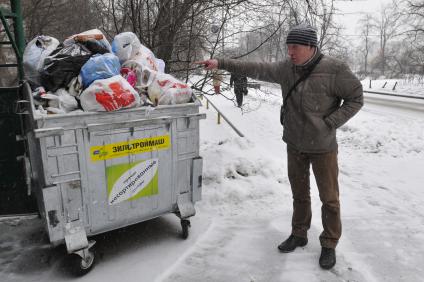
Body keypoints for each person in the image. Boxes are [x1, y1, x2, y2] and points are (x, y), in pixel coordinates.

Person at [196, 23, 363, 270]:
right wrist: (220, 62)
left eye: (294, 47)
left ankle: (329, 243)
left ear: (310, 46)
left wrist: (330, 123)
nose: (290, 52)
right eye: (288, 47)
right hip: (294, 143)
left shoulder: (335, 69)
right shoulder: (287, 69)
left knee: (329, 198)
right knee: (299, 193)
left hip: (323, 147)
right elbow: (254, 68)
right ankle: (299, 233)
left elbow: (356, 98)